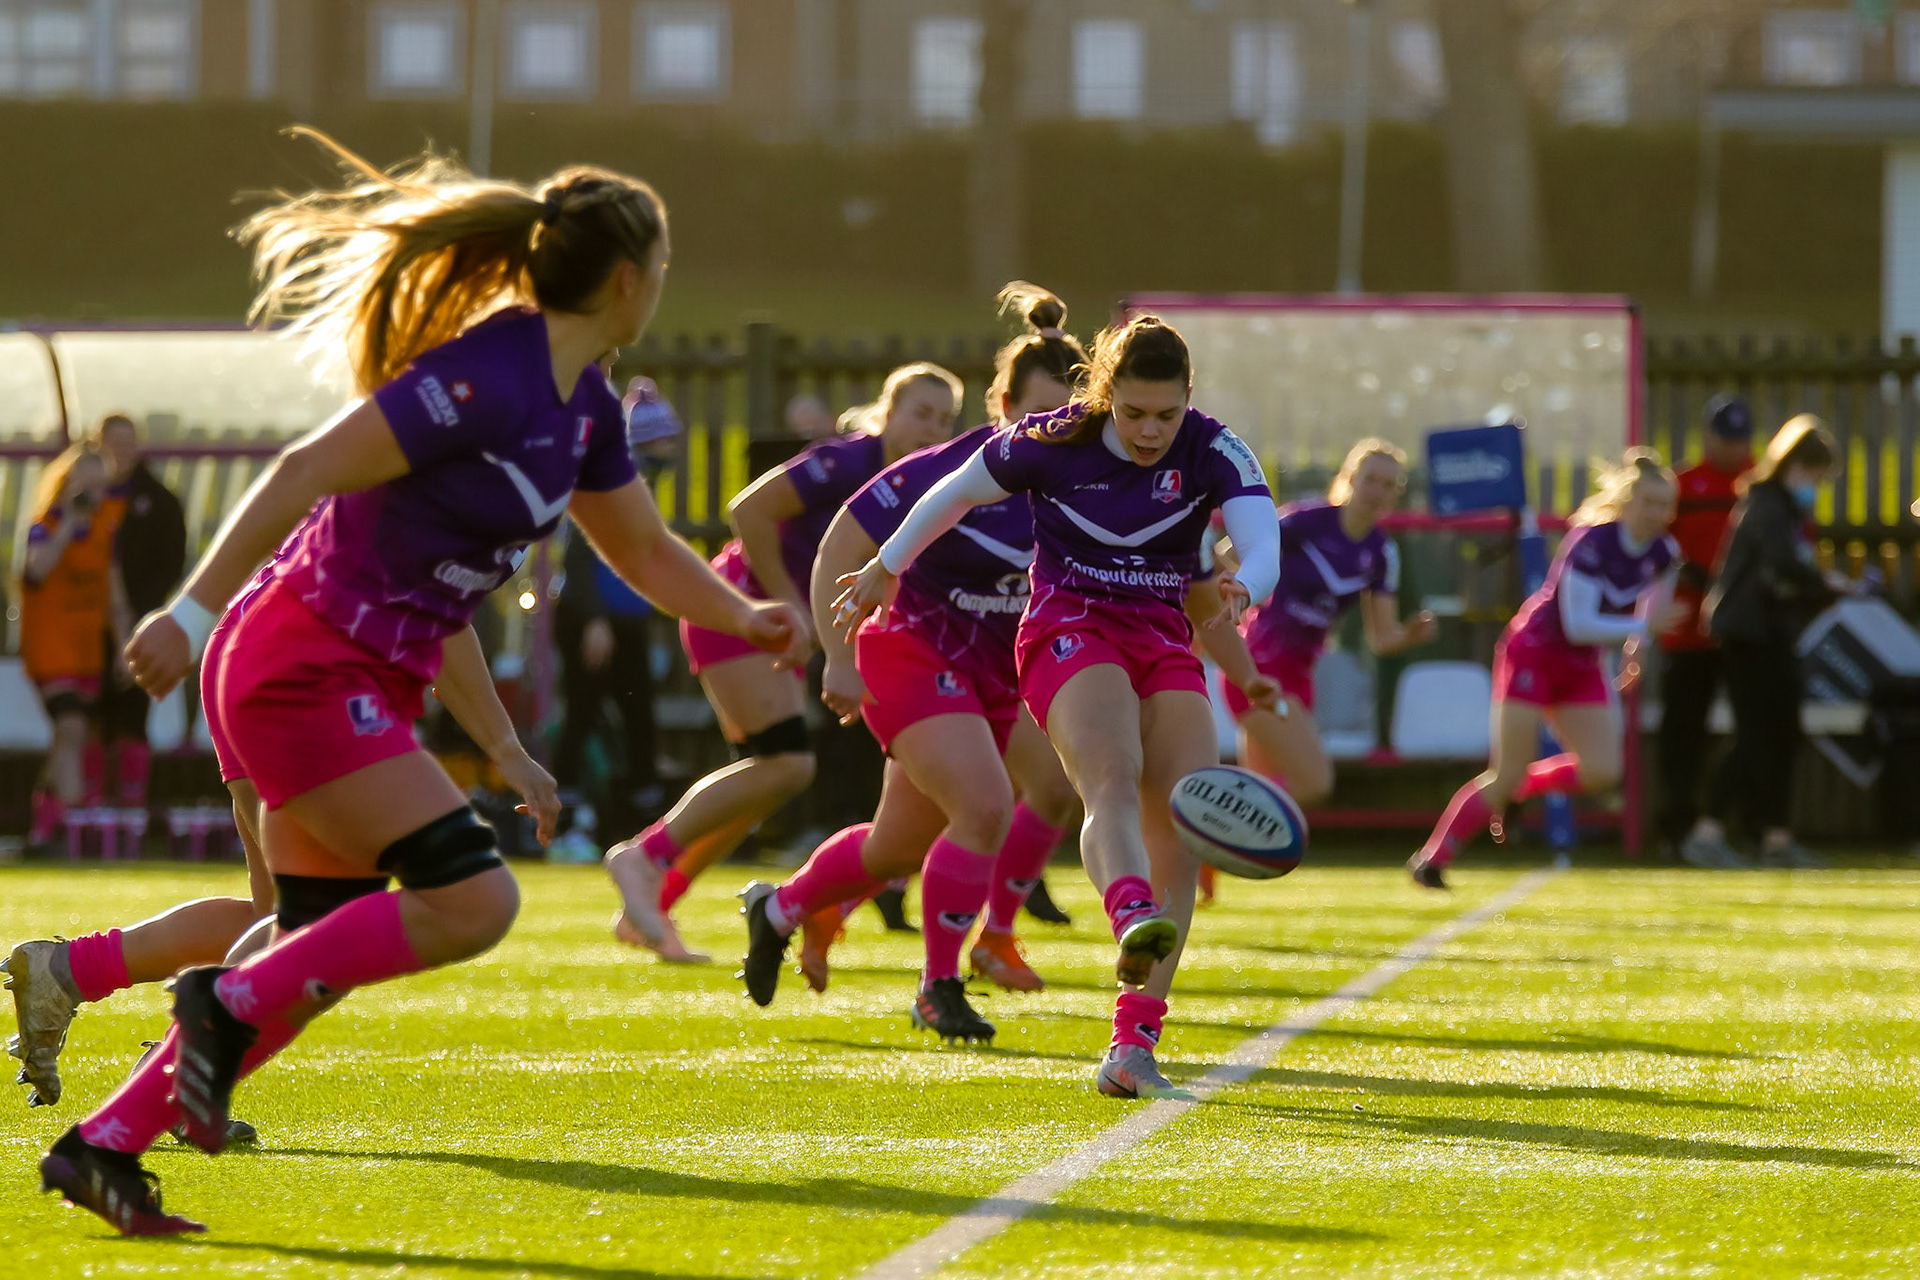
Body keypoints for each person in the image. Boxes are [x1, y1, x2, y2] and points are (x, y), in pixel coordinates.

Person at [37, 129, 804, 1237]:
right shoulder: (486, 371)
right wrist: (189, 609)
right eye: (667, 269)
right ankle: (214, 1001)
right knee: (477, 897)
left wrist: (740, 612)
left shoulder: (583, 404)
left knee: (313, 949)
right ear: (631, 278)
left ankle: (103, 1143)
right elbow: (304, 469)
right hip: (298, 657)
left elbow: (640, 550)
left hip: (362, 673)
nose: (665, 290)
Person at [837, 314, 1281, 1097]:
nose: (1150, 431)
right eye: (1134, 413)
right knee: (1112, 774)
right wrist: (887, 563)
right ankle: (1129, 907)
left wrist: (1248, 584)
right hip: (1068, 628)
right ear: (1106, 394)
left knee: (1182, 813)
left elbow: (1261, 534)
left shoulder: (1214, 448)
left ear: (1188, 400)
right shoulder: (1052, 439)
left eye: (1165, 415)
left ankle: (1133, 1045)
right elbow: (955, 491)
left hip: (1162, 636)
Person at [737, 283, 1091, 1029]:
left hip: (992, 676)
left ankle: (780, 907)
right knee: (988, 807)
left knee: (897, 848)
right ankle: (941, 985)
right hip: (908, 652)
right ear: (1000, 406)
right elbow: (842, 543)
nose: (1049, 431)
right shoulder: (948, 467)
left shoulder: (1082, 488)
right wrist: (836, 656)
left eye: (1067, 417)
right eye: (1036, 415)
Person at [601, 362, 960, 961]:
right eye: (920, 413)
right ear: (887, 412)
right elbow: (748, 510)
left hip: (773, 625)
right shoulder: (847, 462)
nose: (932, 428)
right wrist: (790, 605)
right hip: (739, 606)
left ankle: (652, 907)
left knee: (764, 779)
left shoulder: (920, 483)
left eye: (945, 419)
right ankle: (643, 857)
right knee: (786, 764)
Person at [1409, 449, 1685, 890]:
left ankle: (1521, 792)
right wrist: (1640, 628)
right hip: (1534, 652)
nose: (1657, 514)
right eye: (1649, 502)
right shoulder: (1591, 541)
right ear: (1626, 502)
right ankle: (1432, 859)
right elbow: (1579, 624)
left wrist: (1638, 650)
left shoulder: (1664, 552)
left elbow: (1648, 610)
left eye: (1665, 505)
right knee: (1505, 771)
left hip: (1581, 664)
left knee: (1602, 772)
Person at [1225, 438, 1436, 803]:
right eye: (1371, 479)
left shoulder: (1381, 553)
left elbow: (1383, 640)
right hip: (1256, 669)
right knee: (1313, 783)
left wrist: (1411, 635)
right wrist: (1245, 592)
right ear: (1350, 478)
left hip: (1300, 678)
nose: (1378, 491)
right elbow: (1229, 553)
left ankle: (1199, 850)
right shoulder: (1306, 520)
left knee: (1260, 808)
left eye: (1389, 485)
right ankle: (1197, 822)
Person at [1682, 415, 1840, 870]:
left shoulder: (1788, 510)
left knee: (1784, 734)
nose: (1815, 484)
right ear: (1793, 465)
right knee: (1754, 736)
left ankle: (1776, 839)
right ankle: (1706, 832)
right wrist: (1830, 585)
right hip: (1748, 635)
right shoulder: (1766, 504)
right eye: (1813, 474)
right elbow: (1784, 566)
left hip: (1773, 633)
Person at [1657, 395, 1754, 867]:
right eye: (1725, 438)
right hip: (1688, 634)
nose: (1734, 449)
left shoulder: (1760, 481)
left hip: (1743, 631)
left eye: (1741, 440)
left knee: (1754, 728)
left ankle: (1747, 828)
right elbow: (1660, 551)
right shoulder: (1682, 485)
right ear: (1707, 435)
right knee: (1683, 735)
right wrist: (1698, 576)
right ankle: (1677, 829)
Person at [18, 443, 120, 848]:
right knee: (71, 726)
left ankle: (44, 825)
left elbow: (113, 594)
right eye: (84, 485)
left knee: (70, 738)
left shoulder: (104, 531)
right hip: (51, 646)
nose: (92, 495)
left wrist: (126, 637)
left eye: (99, 487)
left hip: (86, 649)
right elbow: (36, 571)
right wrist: (68, 524)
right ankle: (76, 819)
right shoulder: (44, 526)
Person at [93, 413, 186, 816]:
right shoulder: (85, 495)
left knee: (133, 711)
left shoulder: (160, 499)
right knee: (93, 715)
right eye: (114, 440)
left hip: (140, 623)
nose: (122, 448)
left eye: (128, 440)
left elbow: (173, 563)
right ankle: (89, 806)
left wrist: (139, 610)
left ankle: (130, 808)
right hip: (88, 627)